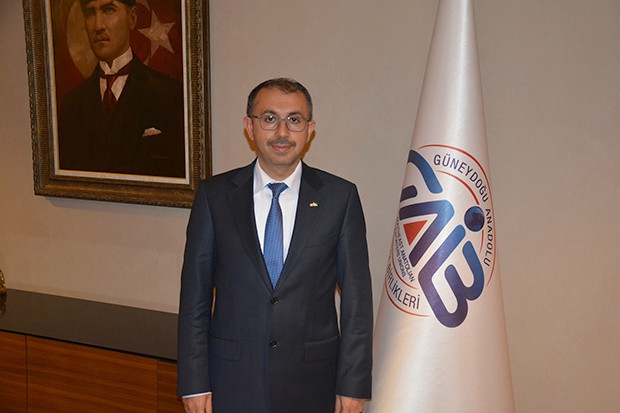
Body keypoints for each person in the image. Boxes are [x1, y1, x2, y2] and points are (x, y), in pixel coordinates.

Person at [177, 78, 373, 413]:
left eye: (294, 120)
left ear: (309, 129)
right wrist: (194, 382)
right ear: (249, 127)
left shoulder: (340, 198)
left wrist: (353, 385)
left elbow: (357, 302)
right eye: (269, 119)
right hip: (231, 380)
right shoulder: (214, 196)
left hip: (314, 382)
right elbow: (194, 298)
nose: (282, 132)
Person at [57, 0, 185, 177]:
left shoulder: (169, 94)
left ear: (132, 18)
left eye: (109, 10)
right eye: (90, 13)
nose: (98, 26)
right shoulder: (72, 103)